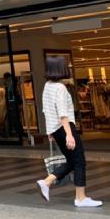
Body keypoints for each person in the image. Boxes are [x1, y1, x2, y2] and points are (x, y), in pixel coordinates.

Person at [36, 56, 102, 207]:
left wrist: (50, 131)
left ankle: (47, 181)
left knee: (73, 161)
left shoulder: (47, 86)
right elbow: (62, 113)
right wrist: (69, 135)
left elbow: (46, 110)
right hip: (65, 128)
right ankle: (81, 198)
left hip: (56, 129)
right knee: (79, 161)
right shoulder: (60, 88)